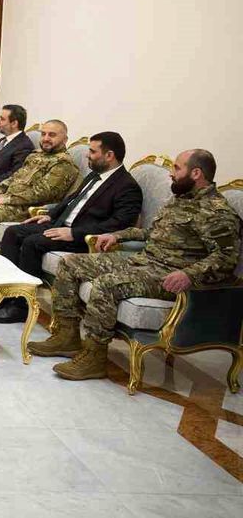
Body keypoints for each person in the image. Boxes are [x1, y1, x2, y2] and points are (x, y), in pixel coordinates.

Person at [29, 149, 240, 381]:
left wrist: (188, 274)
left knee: (107, 284)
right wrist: (117, 235)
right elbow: (153, 233)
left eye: (177, 168)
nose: (171, 173)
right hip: (144, 260)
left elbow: (225, 258)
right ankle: (66, 337)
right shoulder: (181, 199)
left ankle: (94, 358)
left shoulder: (216, 211)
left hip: (168, 275)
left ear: (196, 173)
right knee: (70, 263)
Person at [0, 131, 143, 323]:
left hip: (82, 238)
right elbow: (71, 200)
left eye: (93, 152)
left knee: (32, 242)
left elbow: (119, 223)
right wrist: (49, 215)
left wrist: (74, 233)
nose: (87, 155)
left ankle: (21, 306)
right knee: (13, 232)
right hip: (61, 225)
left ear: (109, 155)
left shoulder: (127, 186)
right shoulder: (94, 176)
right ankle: (4, 296)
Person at [0, 120, 79, 240]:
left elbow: (42, 193)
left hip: (27, 208)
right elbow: (15, 177)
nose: (46, 138)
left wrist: (7, 199)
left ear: (65, 139)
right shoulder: (36, 155)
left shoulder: (63, 164)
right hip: (9, 200)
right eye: (43, 134)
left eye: (52, 135)